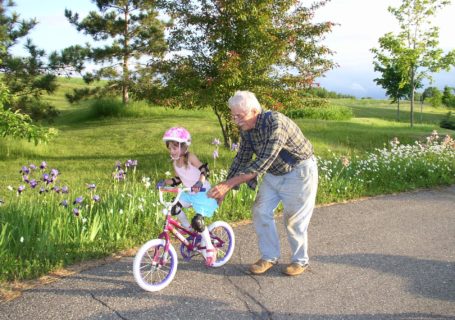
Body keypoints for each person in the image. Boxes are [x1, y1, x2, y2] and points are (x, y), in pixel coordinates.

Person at [207, 91, 318, 276]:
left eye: (239, 116)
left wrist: (228, 185)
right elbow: (242, 158)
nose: (236, 121)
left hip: (299, 172)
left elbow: (263, 162)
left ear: (254, 111)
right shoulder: (247, 130)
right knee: (260, 210)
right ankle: (269, 257)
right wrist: (226, 187)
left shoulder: (276, 123)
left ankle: (300, 261)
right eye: (233, 116)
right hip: (274, 173)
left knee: (294, 220)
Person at [156, 127, 219, 266]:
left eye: (175, 148)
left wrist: (199, 182)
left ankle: (210, 248)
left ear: (184, 146)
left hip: (203, 193)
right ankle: (188, 229)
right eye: (170, 148)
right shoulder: (175, 163)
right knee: (174, 208)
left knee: (198, 221)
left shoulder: (190, 157)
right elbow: (178, 180)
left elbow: (204, 169)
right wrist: (165, 182)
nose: (172, 151)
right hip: (189, 193)